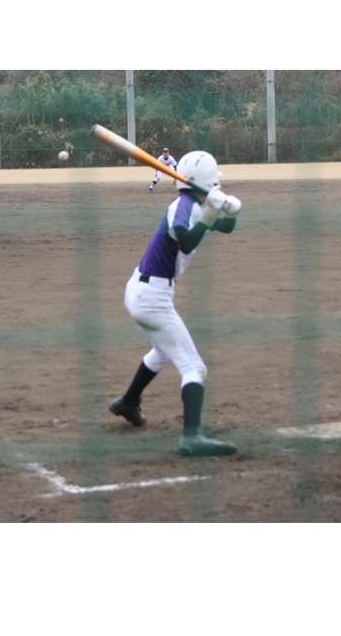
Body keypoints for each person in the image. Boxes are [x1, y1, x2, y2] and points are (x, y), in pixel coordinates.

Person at [110, 151, 242, 456]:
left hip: (145, 291)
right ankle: (191, 436)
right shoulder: (182, 207)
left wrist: (229, 209)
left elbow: (224, 227)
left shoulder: (194, 205)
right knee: (194, 367)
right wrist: (212, 211)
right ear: (208, 182)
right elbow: (185, 241)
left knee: (161, 352)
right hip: (151, 298)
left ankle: (128, 402)